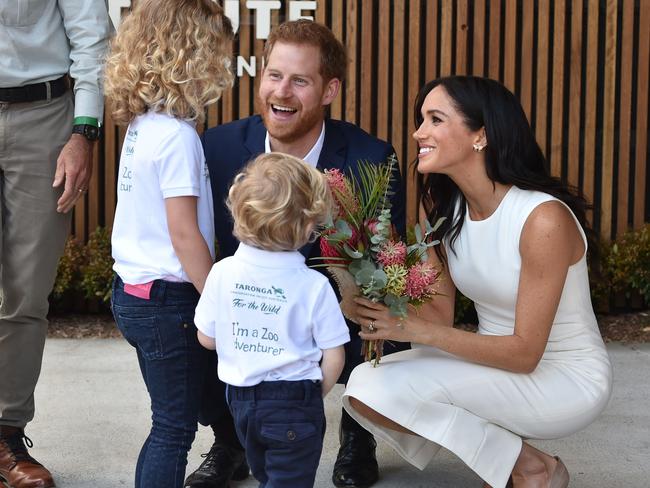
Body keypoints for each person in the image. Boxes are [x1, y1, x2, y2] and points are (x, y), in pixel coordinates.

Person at [341, 76, 613, 488]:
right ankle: (527, 465)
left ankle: (522, 469)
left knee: (381, 386)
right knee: (366, 386)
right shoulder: (443, 209)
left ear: (480, 135)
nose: (419, 132)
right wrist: (366, 299)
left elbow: (525, 353)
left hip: (562, 378)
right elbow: (437, 314)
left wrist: (413, 328)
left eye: (435, 119)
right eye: (421, 119)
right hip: (490, 364)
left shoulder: (543, 219)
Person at [185, 19, 406, 488]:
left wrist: (348, 299)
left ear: (329, 90)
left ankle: (358, 430)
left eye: (299, 80)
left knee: (387, 309)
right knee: (182, 313)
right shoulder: (218, 146)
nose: (281, 91)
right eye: (274, 75)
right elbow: (202, 241)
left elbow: (386, 257)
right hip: (246, 302)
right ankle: (231, 440)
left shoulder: (371, 158)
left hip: (334, 302)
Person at [103, 1, 233, 487]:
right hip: (168, 300)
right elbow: (184, 234)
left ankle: (231, 444)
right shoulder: (178, 137)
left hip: (134, 293)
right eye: (217, 54)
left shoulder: (144, 127)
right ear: (192, 56)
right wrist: (217, 297)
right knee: (172, 429)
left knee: (179, 411)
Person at [0, 2, 111, 487]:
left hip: (43, 118)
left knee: (25, 292)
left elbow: (92, 40)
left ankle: (5, 435)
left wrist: (83, 132)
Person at [194, 153, 350, 488]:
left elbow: (206, 338)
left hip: (240, 401)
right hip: (295, 400)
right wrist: (311, 396)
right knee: (287, 477)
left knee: (266, 472)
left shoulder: (222, 273)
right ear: (309, 226)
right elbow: (335, 356)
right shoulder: (314, 285)